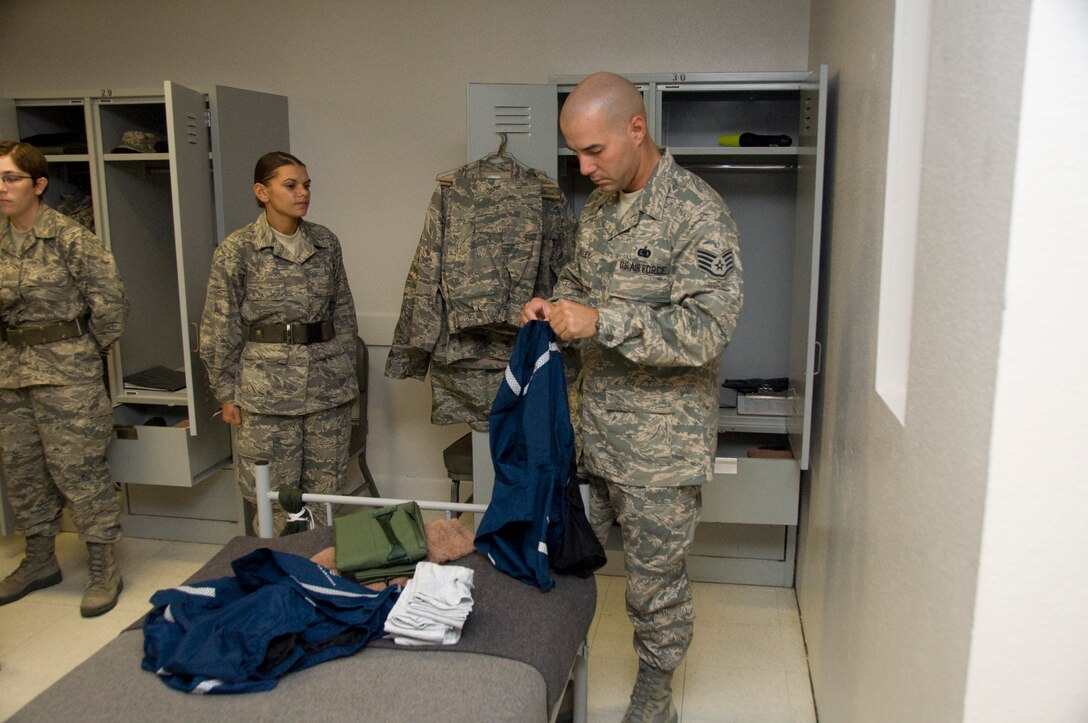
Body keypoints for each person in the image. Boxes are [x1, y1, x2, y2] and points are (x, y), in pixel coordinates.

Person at [520, 72, 743, 723]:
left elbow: (707, 332)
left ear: (636, 129)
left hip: (659, 452)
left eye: (595, 151)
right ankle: (564, 677)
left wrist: (601, 321)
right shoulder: (601, 208)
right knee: (563, 568)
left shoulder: (699, 215)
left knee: (653, 588)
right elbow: (578, 278)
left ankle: (653, 697)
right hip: (587, 434)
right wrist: (554, 305)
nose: (584, 168)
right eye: (576, 154)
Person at [0, 141, 129, 617]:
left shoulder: (70, 238)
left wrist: (79, 354)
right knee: (24, 472)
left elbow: (111, 306)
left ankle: (102, 566)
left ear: (38, 185)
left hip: (66, 376)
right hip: (10, 375)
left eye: (10, 178)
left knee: (79, 470)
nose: (2, 188)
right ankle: (38, 561)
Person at [200, 151, 358, 536]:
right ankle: (276, 577)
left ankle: (320, 576)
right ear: (262, 191)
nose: (302, 193)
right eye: (290, 185)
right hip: (266, 394)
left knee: (325, 499)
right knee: (274, 501)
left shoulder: (325, 242)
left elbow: (343, 313)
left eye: (306, 185)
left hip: (326, 389)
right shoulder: (238, 249)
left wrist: (344, 374)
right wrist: (225, 391)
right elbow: (220, 325)